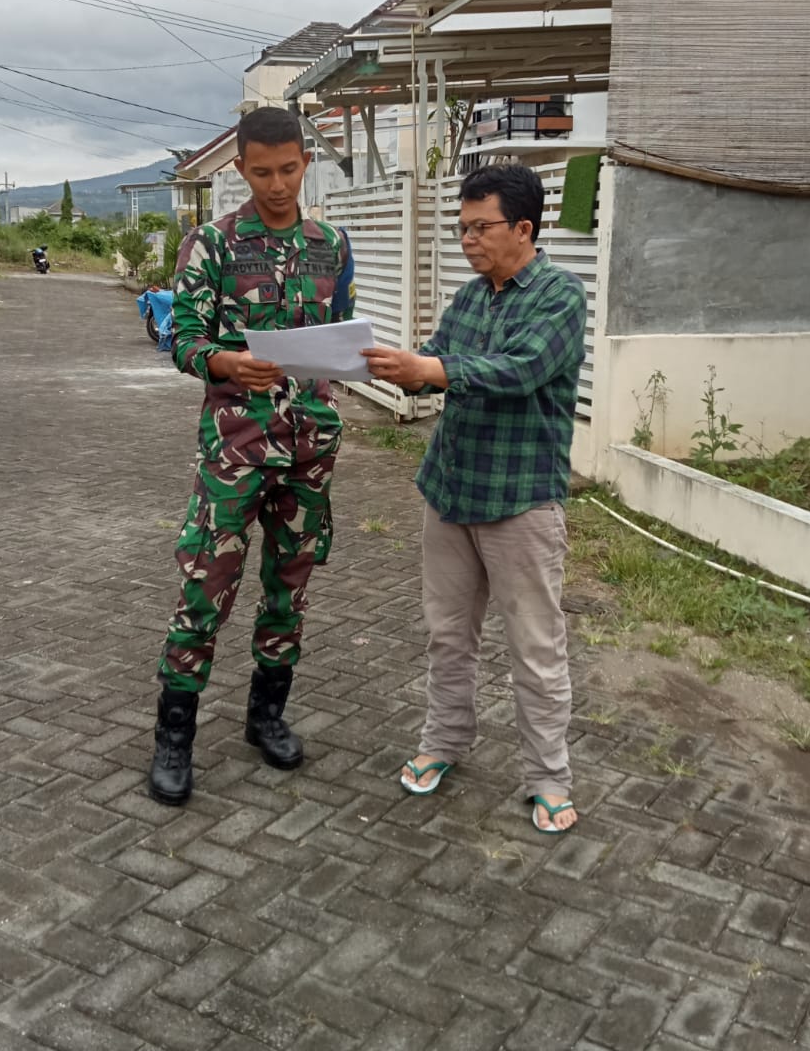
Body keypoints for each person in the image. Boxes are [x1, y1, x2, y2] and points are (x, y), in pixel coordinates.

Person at [363, 162, 586, 834]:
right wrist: (391, 367)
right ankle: (444, 740)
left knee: (535, 647)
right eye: (462, 228)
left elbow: (520, 370)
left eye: (480, 227)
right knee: (447, 634)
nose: (468, 240)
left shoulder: (559, 295)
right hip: (451, 490)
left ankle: (548, 778)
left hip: (520, 499)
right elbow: (436, 362)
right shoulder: (469, 298)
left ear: (524, 228)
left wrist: (432, 368)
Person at [148, 105, 355, 805]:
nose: (276, 184)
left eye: (289, 169)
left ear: (306, 162)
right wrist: (227, 362)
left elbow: (341, 330)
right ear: (240, 169)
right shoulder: (211, 244)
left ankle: (267, 715)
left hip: (309, 446)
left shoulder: (332, 244)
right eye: (261, 172)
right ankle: (175, 734)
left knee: (290, 587)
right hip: (235, 448)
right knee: (205, 584)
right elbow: (182, 340)